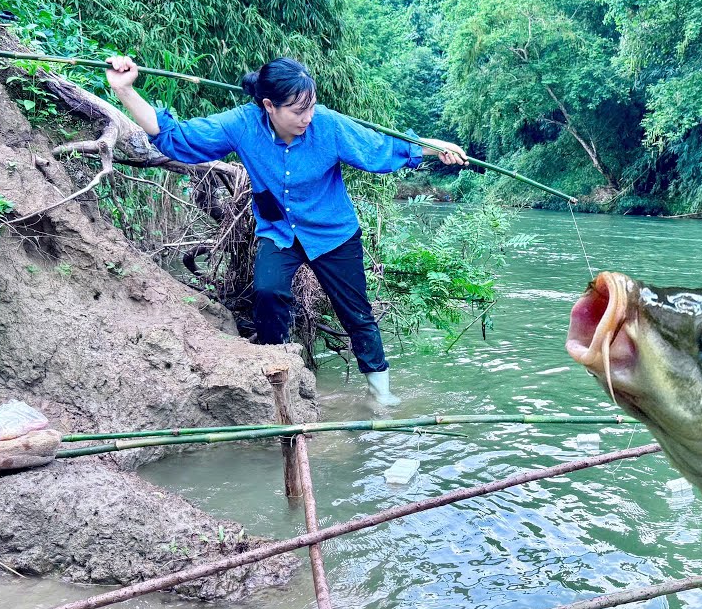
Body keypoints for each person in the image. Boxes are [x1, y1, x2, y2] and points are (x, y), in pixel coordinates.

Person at [105, 55, 468, 406]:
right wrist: (125, 91)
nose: (308, 117)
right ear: (269, 105)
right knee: (267, 292)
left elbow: (380, 148)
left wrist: (432, 149)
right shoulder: (244, 124)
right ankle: (275, 375)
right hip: (279, 229)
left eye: (311, 107)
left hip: (333, 233)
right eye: (298, 110)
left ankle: (380, 394)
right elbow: (178, 138)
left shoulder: (328, 124)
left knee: (356, 313)